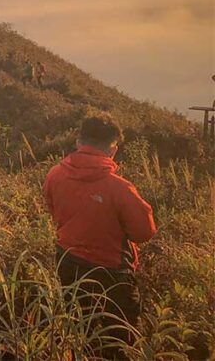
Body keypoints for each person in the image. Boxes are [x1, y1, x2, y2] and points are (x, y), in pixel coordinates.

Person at [43, 115, 156, 351]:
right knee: (120, 344)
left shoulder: (54, 174)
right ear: (112, 148)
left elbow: (53, 211)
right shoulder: (120, 188)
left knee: (81, 332)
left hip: (67, 263)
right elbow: (144, 232)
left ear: (78, 142)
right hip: (111, 275)